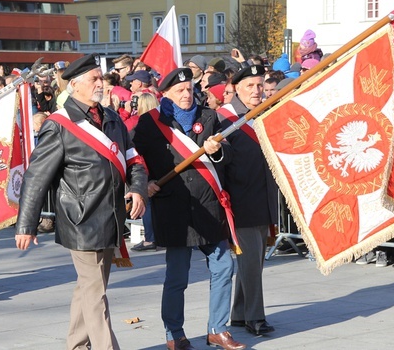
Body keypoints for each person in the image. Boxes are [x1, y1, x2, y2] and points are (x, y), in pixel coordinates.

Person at [15, 54, 147, 350]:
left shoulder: (112, 118)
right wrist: (26, 225)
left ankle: (76, 345)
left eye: (101, 78)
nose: (101, 83)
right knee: (95, 293)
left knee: (89, 288)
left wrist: (138, 189)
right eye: (94, 79)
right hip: (81, 219)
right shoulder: (59, 125)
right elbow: (36, 177)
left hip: (112, 216)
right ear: (74, 85)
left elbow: (134, 160)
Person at [133, 67, 245, 350]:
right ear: (166, 94)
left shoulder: (209, 117)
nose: (186, 95)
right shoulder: (149, 124)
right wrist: (144, 183)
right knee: (178, 276)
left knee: (223, 266)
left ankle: (218, 329)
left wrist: (217, 150)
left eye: (189, 89)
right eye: (179, 91)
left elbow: (229, 153)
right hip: (174, 209)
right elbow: (134, 160)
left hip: (208, 205)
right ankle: (175, 334)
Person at [217, 64, 278, 336]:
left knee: (254, 261)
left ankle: (240, 313)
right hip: (239, 200)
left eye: (259, 85)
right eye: (250, 86)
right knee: (252, 263)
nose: (256, 91)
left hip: (262, 198)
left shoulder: (264, 113)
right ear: (237, 89)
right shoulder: (225, 118)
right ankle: (256, 317)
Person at [130, 92, 160, 252]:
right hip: (159, 168)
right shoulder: (161, 122)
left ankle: (150, 238)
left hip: (145, 168)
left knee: (147, 204)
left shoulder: (138, 122)